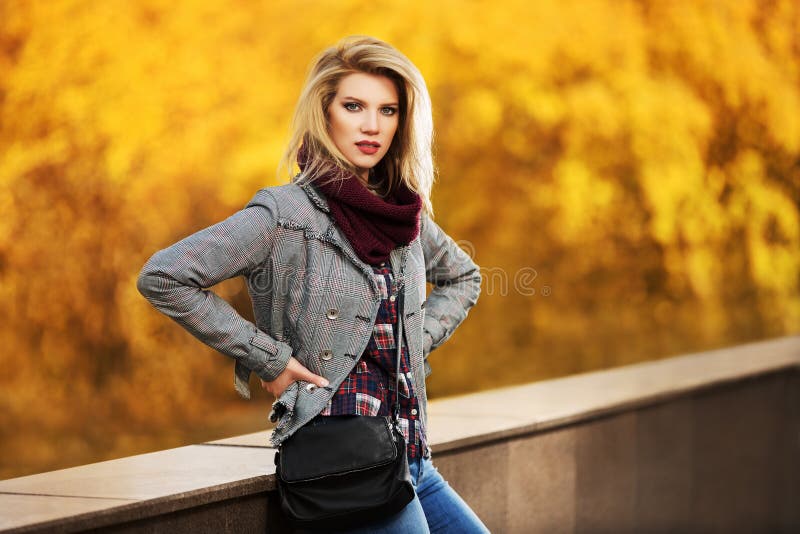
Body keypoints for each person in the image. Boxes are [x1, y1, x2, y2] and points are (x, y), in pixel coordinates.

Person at [137, 35, 486, 533]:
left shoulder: (402, 214)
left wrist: (415, 339)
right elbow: (165, 276)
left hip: (411, 459)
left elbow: (463, 276)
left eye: (388, 110)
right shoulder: (284, 216)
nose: (372, 125)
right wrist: (271, 360)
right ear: (324, 113)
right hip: (343, 464)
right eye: (354, 106)